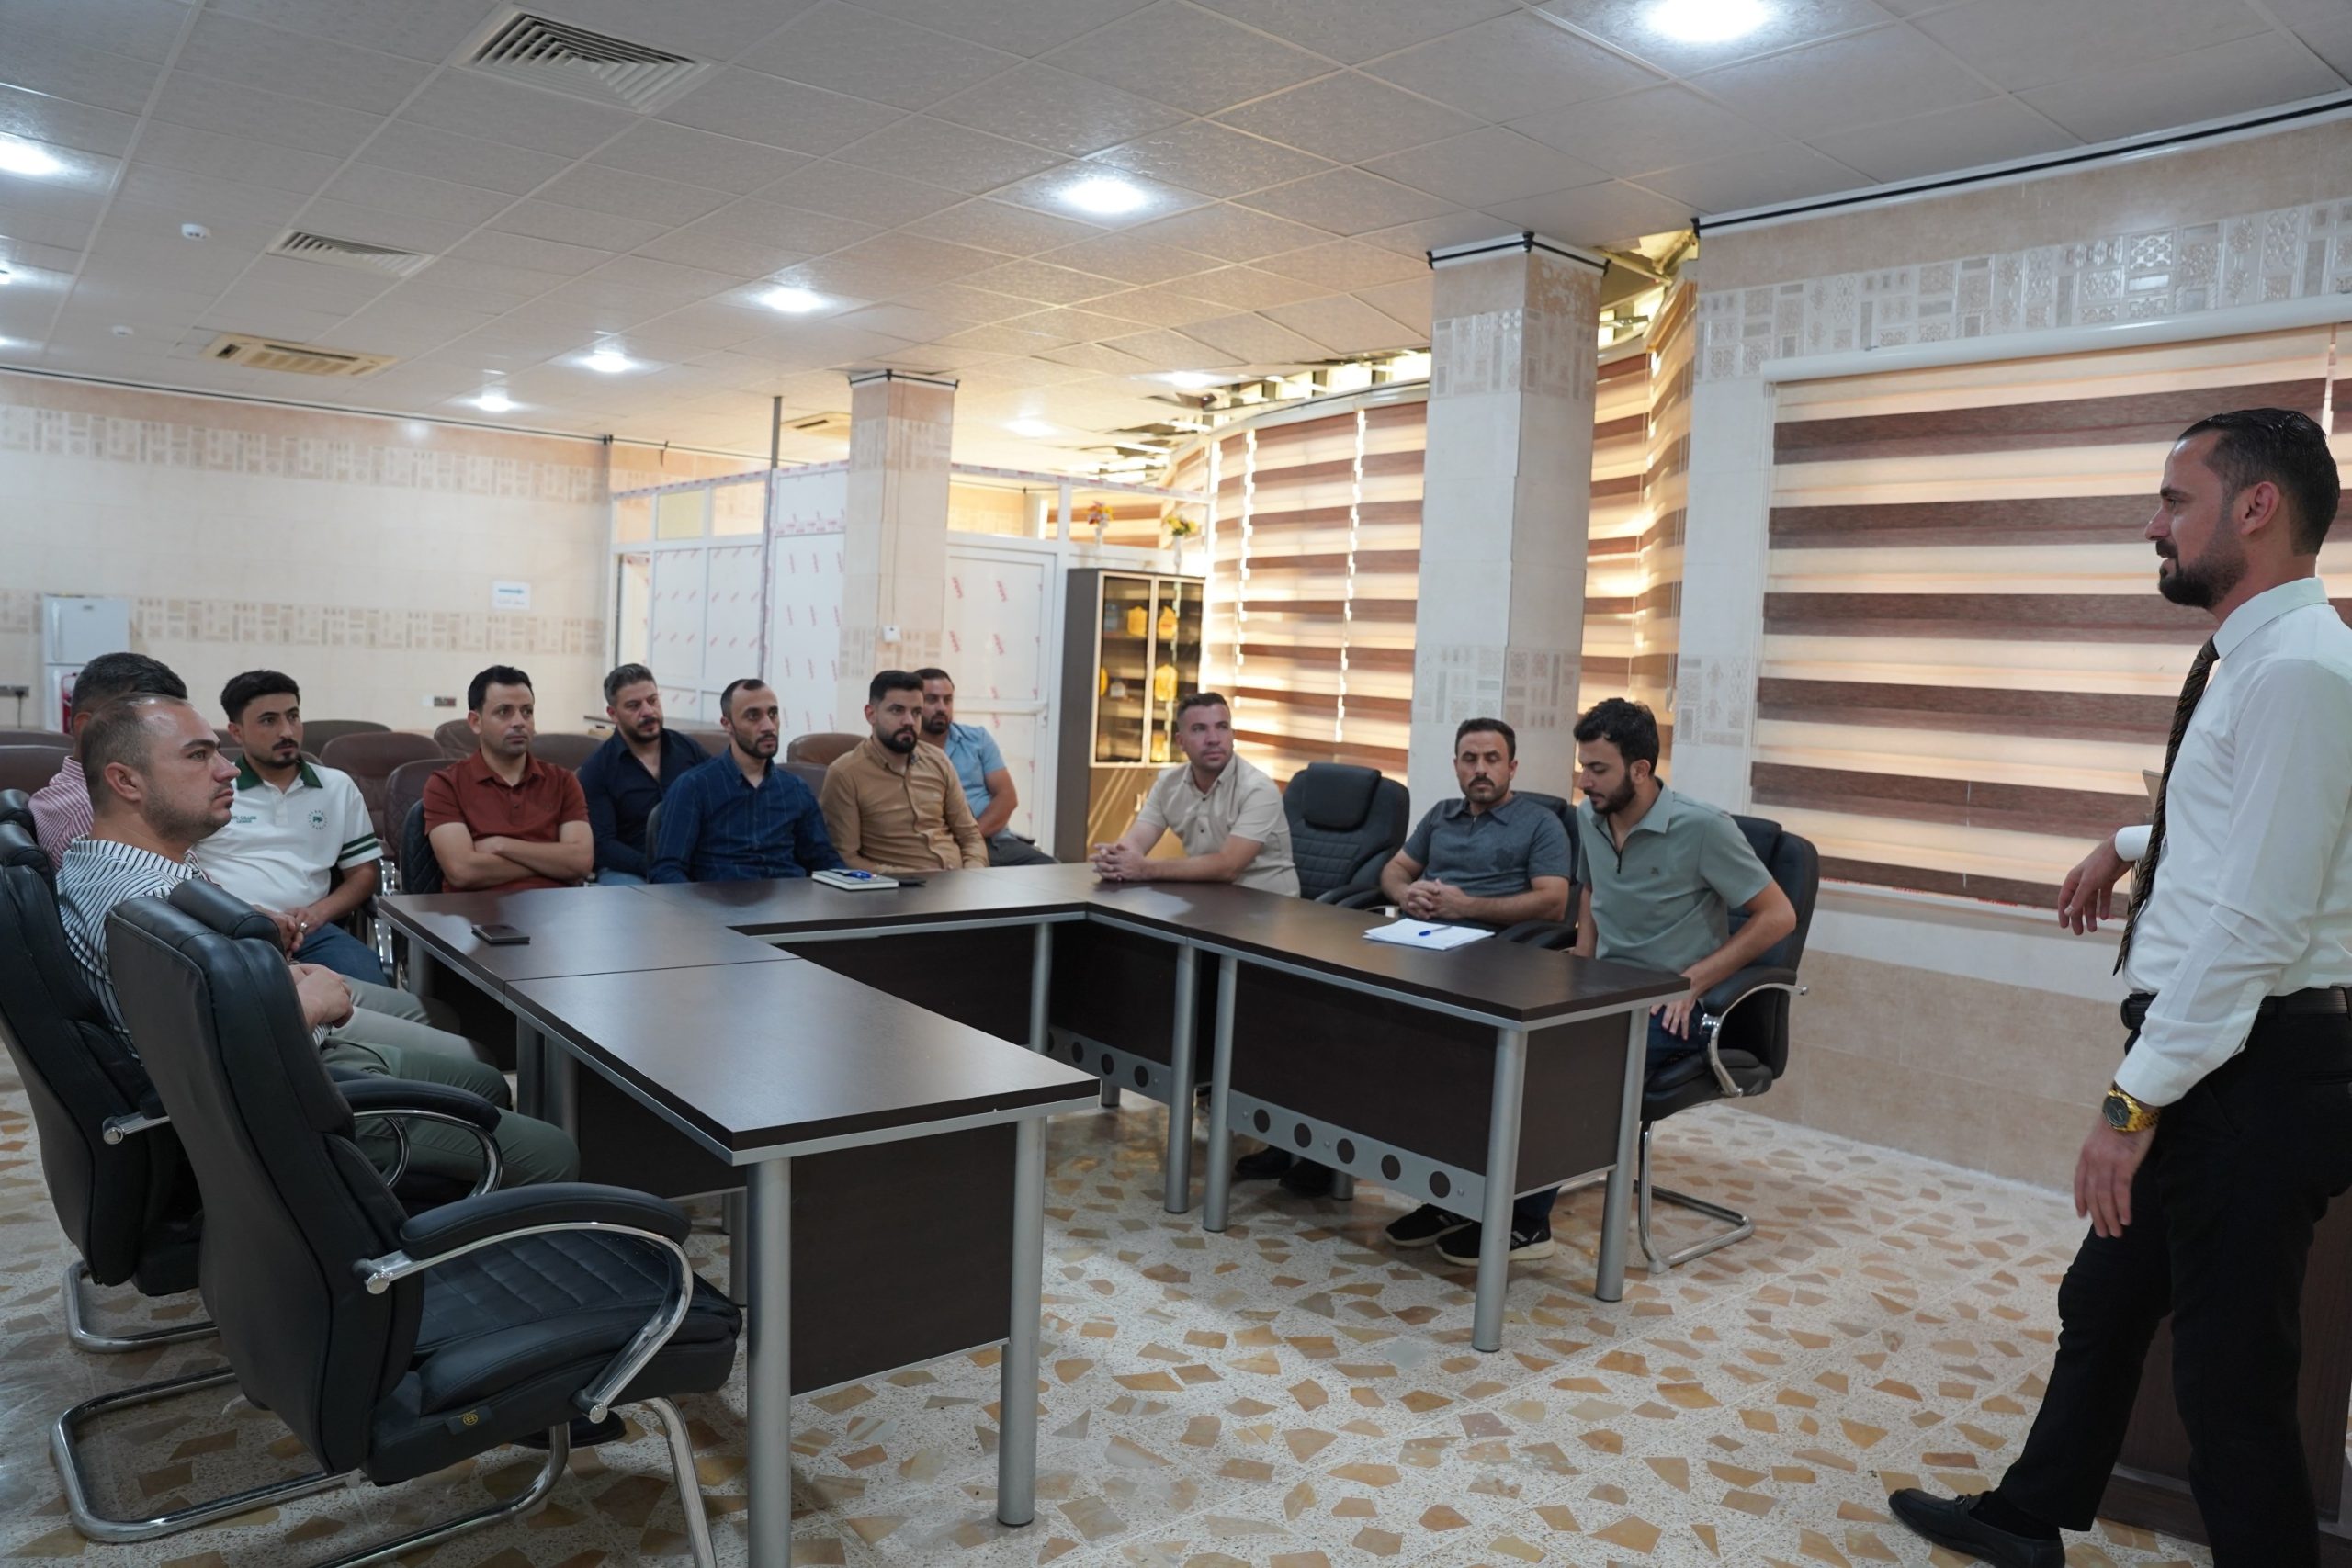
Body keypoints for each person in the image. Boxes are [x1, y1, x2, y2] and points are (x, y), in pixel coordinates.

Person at [1891, 410, 2352, 1568]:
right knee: (2104, 1303)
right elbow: (2247, 826)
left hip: (2249, 1070)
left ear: (2256, 507)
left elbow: (2256, 920)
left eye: (2174, 500)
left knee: (2231, 1388)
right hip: (2214, 1058)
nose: (2154, 525)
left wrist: (2129, 1104)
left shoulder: (2300, 669)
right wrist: (2128, 840)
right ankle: (2027, 1517)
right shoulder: (2260, 659)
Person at [55, 694, 578, 1188]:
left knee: (485, 1081)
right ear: (126, 781)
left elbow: (207, 1003)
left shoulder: (113, 864)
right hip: (284, 1103)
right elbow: (213, 1058)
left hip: (292, 1053)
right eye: (198, 756)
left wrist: (275, 970)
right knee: (554, 1151)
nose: (227, 769)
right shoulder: (141, 907)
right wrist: (311, 1003)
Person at [1399, 695, 1791, 1269]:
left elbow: (1777, 917)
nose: (1584, 782)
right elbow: (1591, 890)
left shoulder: (1703, 827)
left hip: (1672, 1005)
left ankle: (1527, 1223)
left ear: (1640, 769)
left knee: (1561, 1066)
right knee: (1482, 1046)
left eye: (1598, 769)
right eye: (1583, 767)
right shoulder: (1591, 816)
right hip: (1603, 989)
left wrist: (1693, 981)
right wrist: (1580, 962)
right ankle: (1457, 1199)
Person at [189, 670, 388, 985]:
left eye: (293, 717)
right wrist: (244, 916)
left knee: (366, 983)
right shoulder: (212, 788)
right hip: (227, 928)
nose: (287, 731)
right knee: (240, 993)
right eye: (269, 720)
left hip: (310, 931)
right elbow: (179, 871)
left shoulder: (337, 787)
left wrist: (319, 913)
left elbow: (363, 873)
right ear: (237, 732)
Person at [1091, 692, 1299, 896]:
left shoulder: (1258, 789)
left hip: (1266, 905)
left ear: (1233, 736)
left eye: (1222, 727)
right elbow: (1136, 841)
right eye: (1199, 729)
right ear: (1180, 741)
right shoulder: (1168, 784)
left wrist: (1144, 869)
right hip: (1208, 898)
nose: (1213, 739)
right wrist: (1115, 860)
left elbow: (1229, 866)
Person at [651, 678, 843, 884]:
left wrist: (858, 885)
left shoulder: (796, 789)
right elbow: (667, 870)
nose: (768, 726)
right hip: (720, 898)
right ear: (727, 725)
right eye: (753, 716)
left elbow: (824, 861)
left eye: (773, 714)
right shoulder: (694, 787)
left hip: (787, 898)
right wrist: (694, 904)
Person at [424, 665, 593, 892]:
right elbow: (463, 871)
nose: (519, 722)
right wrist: (552, 864)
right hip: (476, 910)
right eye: (504, 712)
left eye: (527, 712)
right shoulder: (446, 785)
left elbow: (581, 862)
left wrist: (500, 845)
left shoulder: (563, 781)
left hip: (555, 908)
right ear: (475, 722)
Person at [820, 670, 988, 874]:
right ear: (871, 714)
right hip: (898, 888)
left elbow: (970, 836)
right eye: (897, 711)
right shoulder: (845, 773)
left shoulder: (938, 760)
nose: (909, 721)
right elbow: (846, 858)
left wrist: (973, 873)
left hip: (958, 881)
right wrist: (910, 877)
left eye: (916, 712)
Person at [28, 651, 187, 863]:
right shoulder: (97, 812)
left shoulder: (74, 794)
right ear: (87, 728)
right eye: (150, 725)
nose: (170, 739)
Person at [577, 662, 706, 886]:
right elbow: (603, 844)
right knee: (631, 898)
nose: (648, 712)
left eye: (652, 701)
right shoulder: (597, 770)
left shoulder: (689, 749)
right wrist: (657, 866)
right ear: (613, 714)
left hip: (694, 859)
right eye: (634, 706)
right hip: (631, 869)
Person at [915, 667, 1054, 867]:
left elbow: (1007, 798)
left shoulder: (977, 739)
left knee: (1052, 872)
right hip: (936, 849)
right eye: (932, 699)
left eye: (948, 700)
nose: (942, 708)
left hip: (993, 841)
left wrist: (970, 839)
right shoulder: (904, 749)